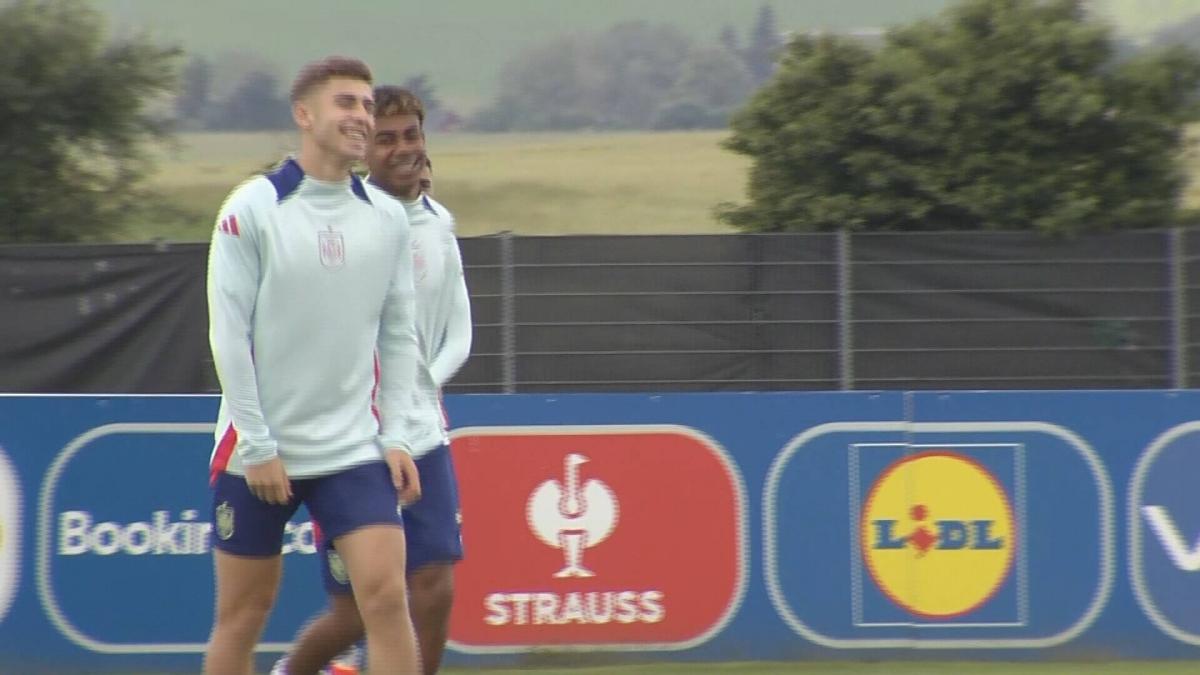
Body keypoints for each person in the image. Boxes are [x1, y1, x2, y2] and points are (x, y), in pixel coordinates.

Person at [204, 57, 424, 675]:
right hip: (258, 451)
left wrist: (398, 436)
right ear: (305, 115)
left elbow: (401, 334)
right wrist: (259, 442)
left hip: (353, 450)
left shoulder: (385, 217)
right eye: (346, 103)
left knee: (385, 600)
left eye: (366, 104)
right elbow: (229, 336)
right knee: (243, 617)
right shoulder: (254, 207)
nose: (361, 117)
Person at [276, 87, 472, 675]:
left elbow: (461, 332)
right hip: (353, 440)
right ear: (365, 150)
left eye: (411, 134)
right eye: (386, 138)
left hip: (423, 433)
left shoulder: (439, 224)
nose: (402, 147)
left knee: (434, 586)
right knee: (357, 612)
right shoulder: (345, 223)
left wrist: (422, 385)